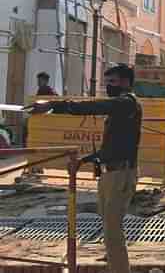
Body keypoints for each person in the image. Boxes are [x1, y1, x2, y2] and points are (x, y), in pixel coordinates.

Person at [31, 65, 141, 273]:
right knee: (108, 224)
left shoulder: (127, 103)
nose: (109, 87)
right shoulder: (120, 108)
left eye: (112, 82)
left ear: (126, 82)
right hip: (110, 173)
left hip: (120, 175)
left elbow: (94, 106)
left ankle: (120, 268)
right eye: (107, 83)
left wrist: (53, 105)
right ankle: (114, 263)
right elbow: (112, 147)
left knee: (113, 230)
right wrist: (86, 160)